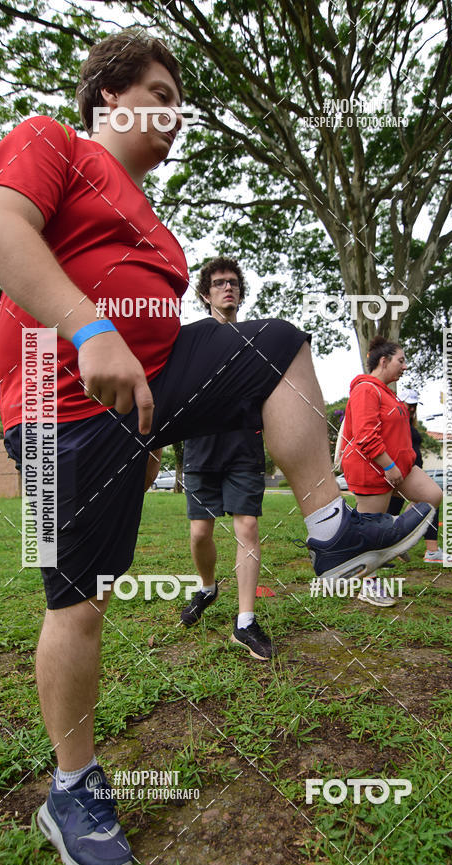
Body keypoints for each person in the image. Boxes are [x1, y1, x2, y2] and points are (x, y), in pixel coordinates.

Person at [0, 32, 434, 865]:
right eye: (158, 90)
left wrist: (154, 427)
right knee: (79, 605)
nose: (175, 112)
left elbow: (162, 331)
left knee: (278, 343)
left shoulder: (164, 237)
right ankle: (72, 785)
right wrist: (90, 327)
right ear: (109, 98)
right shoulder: (52, 141)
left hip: (137, 395)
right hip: (50, 399)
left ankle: (331, 528)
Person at [180, 257, 274, 661]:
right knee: (201, 533)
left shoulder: (256, 340)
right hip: (200, 449)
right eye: (219, 283)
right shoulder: (189, 341)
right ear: (206, 294)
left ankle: (245, 621)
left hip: (243, 449)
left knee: (247, 527)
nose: (227, 288)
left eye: (233, 282)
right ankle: (207, 587)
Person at [339, 338, 443, 604]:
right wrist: (388, 465)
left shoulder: (386, 391)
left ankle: (395, 535)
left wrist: (398, 466)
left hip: (401, 468)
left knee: (432, 496)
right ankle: (367, 585)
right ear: (383, 361)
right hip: (373, 469)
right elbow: (365, 436)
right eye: (401, 360)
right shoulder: (366, 390)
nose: (405, 366)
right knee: (370, 531)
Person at [386, 389, 444, 562]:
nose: (411, 408)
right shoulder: (396, 422)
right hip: (402, 473)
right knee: (429, 501)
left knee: (393, 514)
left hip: (412, 472)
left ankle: (395, 545)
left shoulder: (409, 424)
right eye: (408, 404)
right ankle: (430, 550)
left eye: (414, 404)